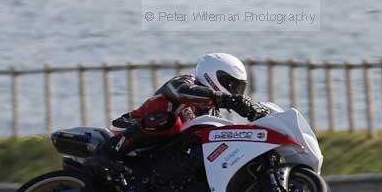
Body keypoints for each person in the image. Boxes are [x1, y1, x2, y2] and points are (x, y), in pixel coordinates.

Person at [105, 52, 266, 156]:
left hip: (159, 153)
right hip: (126, 130)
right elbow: (180, 90)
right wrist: (225, 100)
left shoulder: (212, 114)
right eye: (231, 85)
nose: (235, 92)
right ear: (213, 75)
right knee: (166, 120)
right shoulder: (185, 81)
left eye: (238, 88)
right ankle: (107, 154)